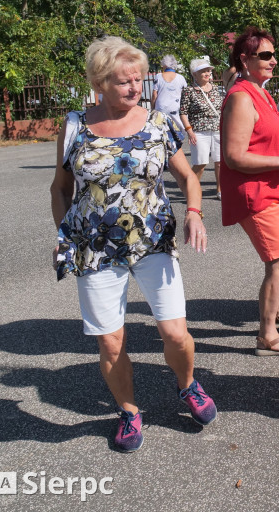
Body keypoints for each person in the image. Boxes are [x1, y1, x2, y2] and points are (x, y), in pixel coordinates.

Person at [49, 36, 216, 453]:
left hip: (154, 244)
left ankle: (188, 384)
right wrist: (63, 235)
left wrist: (194, 213)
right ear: (100, 81)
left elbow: (188, 178)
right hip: (95, 250)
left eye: (138, 80)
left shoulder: (159, 123)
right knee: (110, 340)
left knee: (176, 333)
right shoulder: (74, 125)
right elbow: (60, 189)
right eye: (124, 82)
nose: (134, 88)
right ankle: (128, 410)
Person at [220, 27, 279, 356]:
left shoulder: (262, 91)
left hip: (277, 189)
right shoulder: (242, 98)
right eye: (265, 55)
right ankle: (267, 335)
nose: (274, 60)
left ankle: (278, 308)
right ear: (244, 60)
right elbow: (234, 156)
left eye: (274, 54)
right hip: (256, 192)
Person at [180, 56, 226, 200]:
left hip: (218, 129)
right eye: (203, 71)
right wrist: (189, 131)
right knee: (200, 163)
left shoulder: (217, 89)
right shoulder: (189, 91)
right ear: (194, 74)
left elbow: (223, 108)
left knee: (219, 162)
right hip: (199, 131)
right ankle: (191, 189)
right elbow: (183, 112)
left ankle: (220, 190)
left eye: (208, 70)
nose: (207, 73)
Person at [151, 54, 187, 123]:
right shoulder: (181, 78)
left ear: (165, 65)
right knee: (178, 129)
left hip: (161, 107)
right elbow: (185, 94)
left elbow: (154, 95)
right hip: (176, 107)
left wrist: (152, 108)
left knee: (161, 128)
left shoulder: (158, 76)